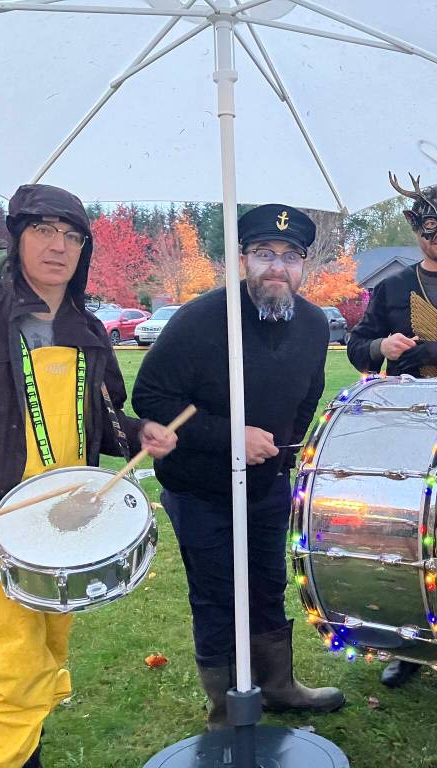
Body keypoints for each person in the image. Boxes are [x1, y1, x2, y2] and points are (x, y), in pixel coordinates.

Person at [0, 184, 178, 768]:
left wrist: (136, 431)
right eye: (44, 231)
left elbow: (90, 417)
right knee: (9, 667)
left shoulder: (88, 331)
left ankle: (29, 747)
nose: (58, 247)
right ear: (17, 239)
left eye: (72, 236)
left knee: (45, 651)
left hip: (62, 528)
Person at [132, 203, 345, 730]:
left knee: (267, 586)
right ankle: (227, 709)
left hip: (267, 489)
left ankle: (277, 685)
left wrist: (284, 450)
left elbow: (309, 393)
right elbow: (150, 397)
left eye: (290, 256)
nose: (278, 267)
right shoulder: (202, 319)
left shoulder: (315, 324)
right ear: (242, 260)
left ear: (304, 266)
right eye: (264, 254)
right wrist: (232, 438)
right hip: (199, 490)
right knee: (216, 595)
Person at [346, 171, 437, 696]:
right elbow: (356, 346)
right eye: (430, 227)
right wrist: (380, 347)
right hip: (406, 429)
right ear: (415, 230)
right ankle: (406, 647)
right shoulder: (390, 287)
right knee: (404, 537)